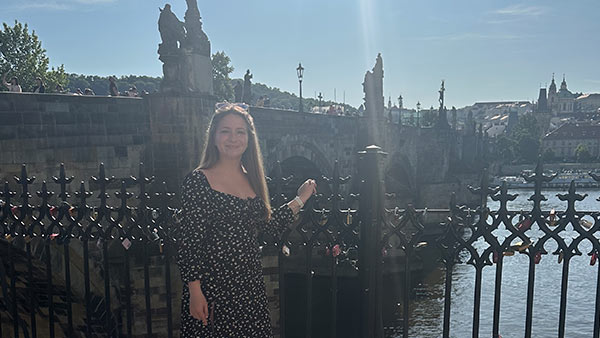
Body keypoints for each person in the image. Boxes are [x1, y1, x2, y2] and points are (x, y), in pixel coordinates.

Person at [177, 102, 317, 337]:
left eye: (240, 131)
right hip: (213, 289)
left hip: (249, 287)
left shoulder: (252, 180)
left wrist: (299, 200)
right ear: (214, 137)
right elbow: (190, 242)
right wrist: (194, 290)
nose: (233, 138)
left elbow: (267, 227)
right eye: (225, 131)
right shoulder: (199, 181)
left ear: (249, 138)